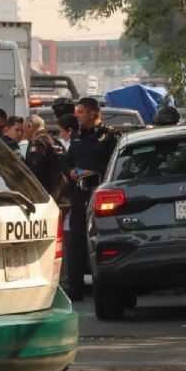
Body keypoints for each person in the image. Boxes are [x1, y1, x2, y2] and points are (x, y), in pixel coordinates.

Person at [62, 98, 119, 300]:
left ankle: (103, 284)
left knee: (100, 240)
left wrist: (94, 172)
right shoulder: (78, 137)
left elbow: (114, 164)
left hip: (100, 196)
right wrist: (70, 172)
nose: (77, 116)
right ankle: (74, 285)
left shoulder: (110, 136)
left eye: (81, 112)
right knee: (75, 242)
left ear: (94, 113)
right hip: (79, 196)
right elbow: (67, 162)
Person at [24, 115, 68, 205]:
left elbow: (34, 171)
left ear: (29, 126)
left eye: (24, 129)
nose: (24, 134)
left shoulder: (36, 142)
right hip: (62, 192)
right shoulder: (57, 142)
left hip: (46, 195)